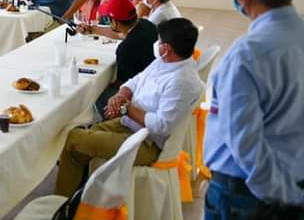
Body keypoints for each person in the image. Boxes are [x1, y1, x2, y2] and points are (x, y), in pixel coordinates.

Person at [203, 0, 304, 220]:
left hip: (246, 195)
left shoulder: (248, 54)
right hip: (293, 180)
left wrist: (282, 203)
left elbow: (245, 142)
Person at [56, 17, 203, 197]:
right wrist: (120, 95)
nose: (156, 44)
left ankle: (64, 204)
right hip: (130, 124)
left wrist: (126, 108)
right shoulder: (166, 61)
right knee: (76, 139)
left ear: (166, 49)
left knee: (74, 139)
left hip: (146, 143)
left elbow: (161, 126)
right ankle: (76, 196)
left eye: (159, 41)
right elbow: (136, 80)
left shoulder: (182, 81)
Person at [79, 0, 158, 119]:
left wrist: (102, 83)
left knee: (100, 95)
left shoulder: (126, 48)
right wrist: (92, 29)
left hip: (143, 94)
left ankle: (115, 122)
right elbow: (122, 34)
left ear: (115, 22)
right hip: (155, 84)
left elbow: (122, 83)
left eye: (109, 19)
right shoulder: (146, 25)